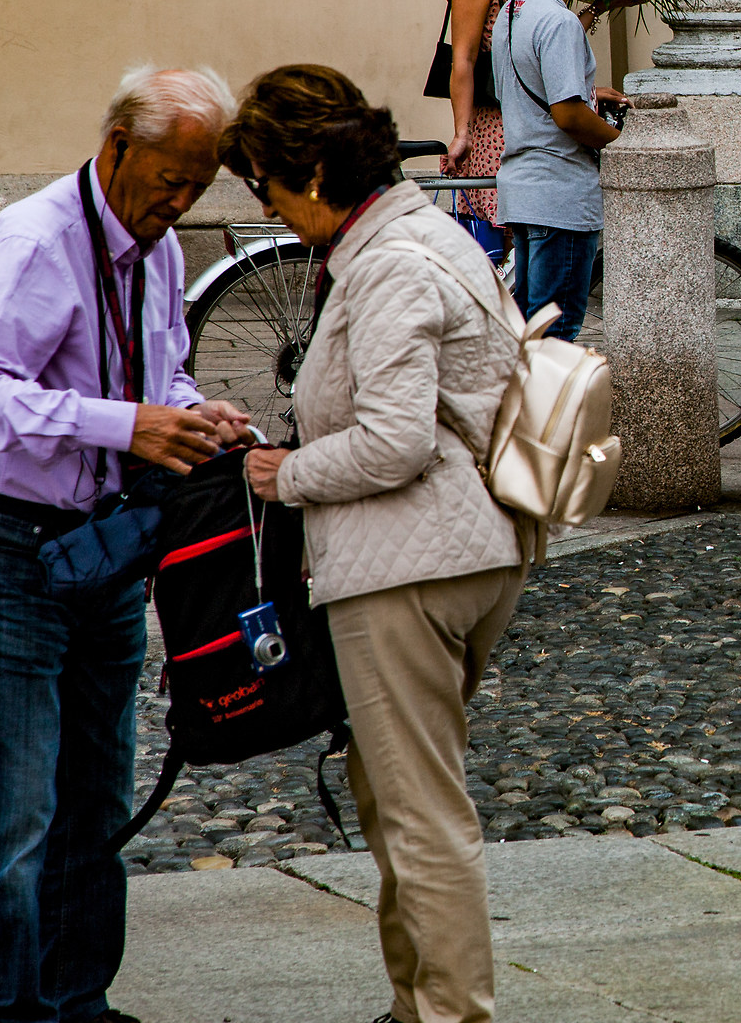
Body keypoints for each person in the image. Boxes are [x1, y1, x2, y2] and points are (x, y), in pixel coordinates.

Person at [225, 65, 525, 1023]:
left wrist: (286, 475)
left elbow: (393, 442)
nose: (269, 209)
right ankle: (416, 1005)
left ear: (311, 173)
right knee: (396, 796)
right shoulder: (417, 234)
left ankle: (449, 1014)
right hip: (453, 551)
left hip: (412, 565)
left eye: (265, 188)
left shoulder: (391, 261)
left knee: (420, 814)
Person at [0, 65, 252, 1023]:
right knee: (15, 813)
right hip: (9, 545)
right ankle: (13, 1015)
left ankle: (82, 1000)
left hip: (110, 550)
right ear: (117, 144)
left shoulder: (157, 247)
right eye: (171, 176)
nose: (181, 200)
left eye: (201, 183)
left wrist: (192, 415)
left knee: (97, 793)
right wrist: (124, 425)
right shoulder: (35, 240)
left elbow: (159, 369)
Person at [489, 0, 625, 342]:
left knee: (531, 331)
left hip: (524, 189)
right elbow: (567, 114)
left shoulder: (513, 11)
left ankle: (525, 413)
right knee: (554, 336)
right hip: (560, 193)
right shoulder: (559, 23)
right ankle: (544, 416)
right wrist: (622, 143)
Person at [438, 0, 549, 266]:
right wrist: (461, 132)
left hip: (534, 118)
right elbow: (463, 57)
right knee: (500, 252)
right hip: (497, 121)